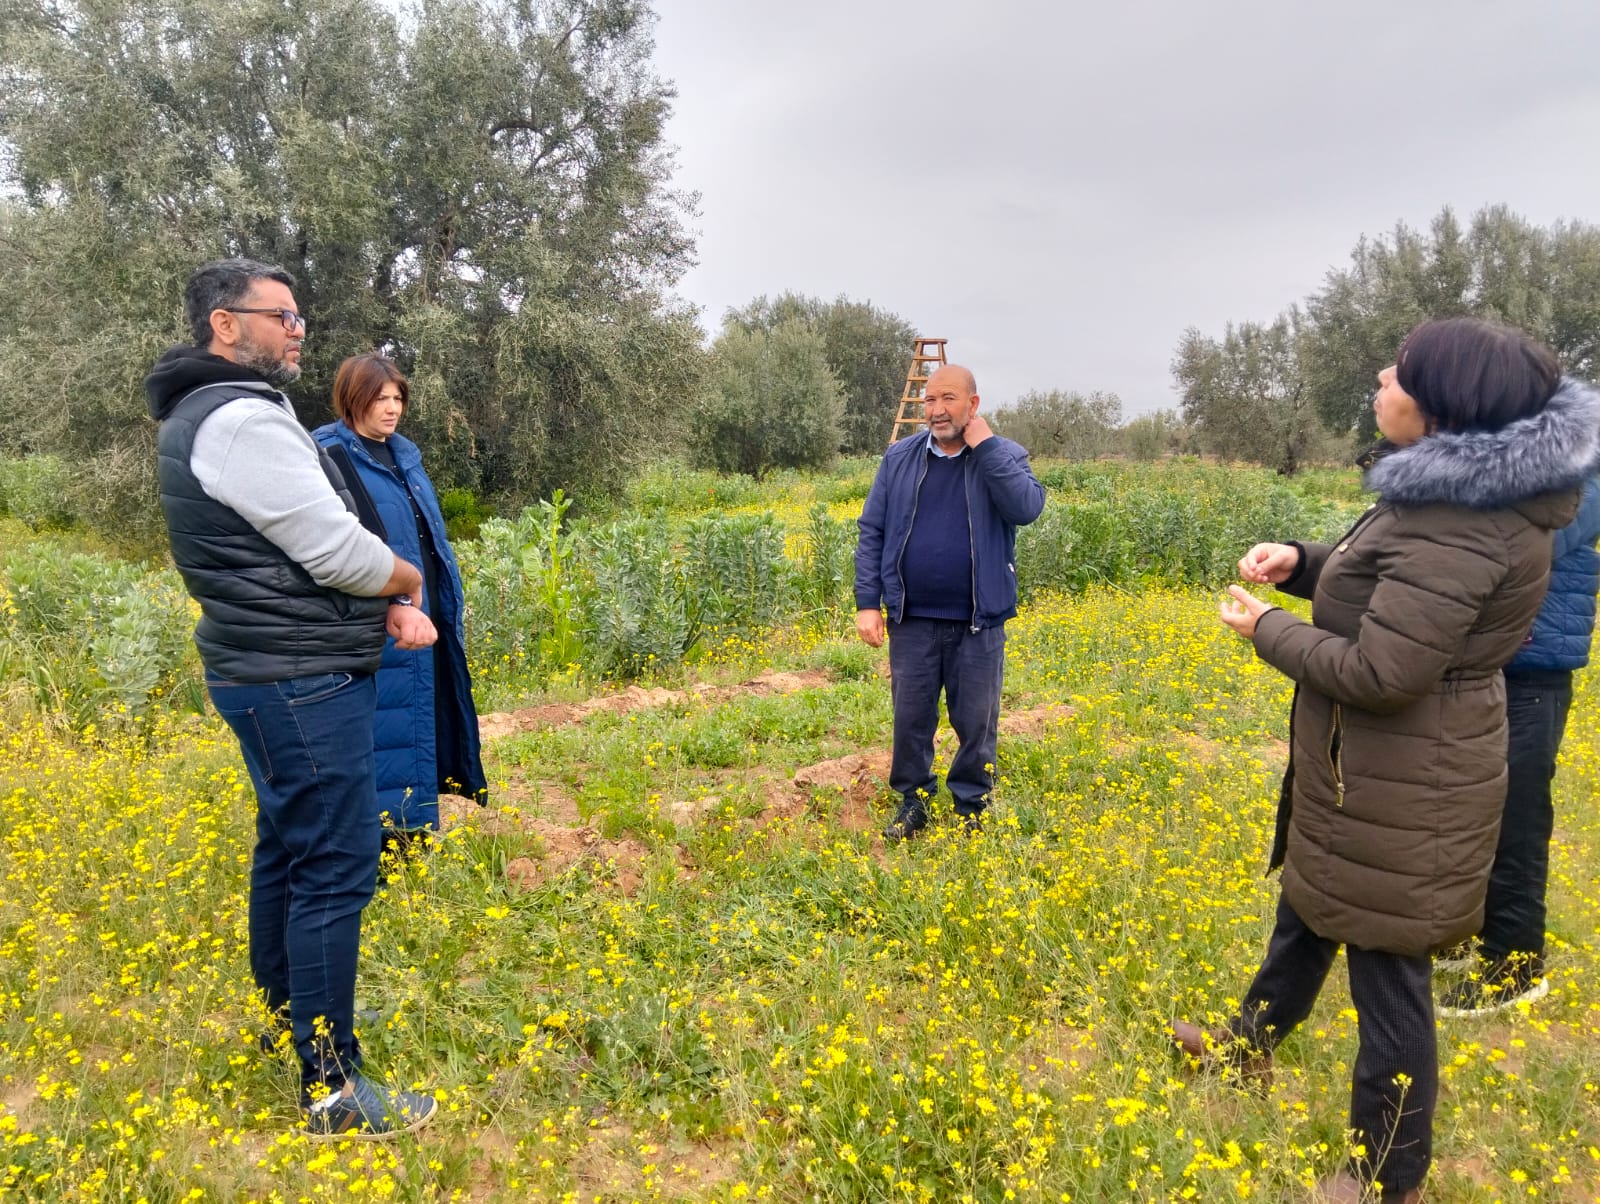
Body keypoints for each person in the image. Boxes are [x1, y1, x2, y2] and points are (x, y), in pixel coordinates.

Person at [1172, 318, 1600, 1203]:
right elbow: (1395, 587)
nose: (1380, 376)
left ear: (1443, 405)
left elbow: (1384, 671)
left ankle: (1386, 1177)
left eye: (1400, 371)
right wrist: (1303, 564)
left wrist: (1267, 628)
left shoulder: (1463, 521)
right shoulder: (1451, 498)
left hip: (1411, 774)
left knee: (1388, 972)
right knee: (1311, 907)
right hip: (1374, 767)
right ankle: (1248, 1047)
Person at [145, 259, 441, 1140]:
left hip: (271, 672)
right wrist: (405, 580)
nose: (298, 330)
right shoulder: (241, 418)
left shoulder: (212, 409)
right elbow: (333, 549)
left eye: (299, 316)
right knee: (337, 865)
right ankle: (332, 1086)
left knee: (288, 849)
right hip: (301, 679)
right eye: (282, 316)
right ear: (225, 324)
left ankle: (295, 1020)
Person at [854, 363, 1045, 840]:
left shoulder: (1003, 455)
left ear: (972, 405)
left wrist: (986, 447)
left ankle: (971, 808)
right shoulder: (899, 458)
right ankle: (914, 803)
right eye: (929, 400)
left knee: (976, 722)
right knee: (911, 719)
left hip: (979, 620)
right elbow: (872, 530)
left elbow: (1026, 509)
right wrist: (868, 602)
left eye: (948, 399)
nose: (936, 410)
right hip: (912, 618)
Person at [1437, 476, 1600, 1016]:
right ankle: (1465, 934)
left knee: (1516, 820)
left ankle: (1514, 967)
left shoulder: (1582, 474)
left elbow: (1531, 542)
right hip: (1487, 665)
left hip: (1534, 671)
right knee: (1465, 808)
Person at [312, 355, 487, 850]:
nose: (391, 409)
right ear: (352, 399)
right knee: (386, 730)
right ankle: (385, 846)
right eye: (379, 399)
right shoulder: (329, 456)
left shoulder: (403, 456)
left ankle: (412, 835)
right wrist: (393, 598)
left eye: (397, 399)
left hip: (421, 614)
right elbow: (340, 547)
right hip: (375, 619)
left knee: (419, 721)